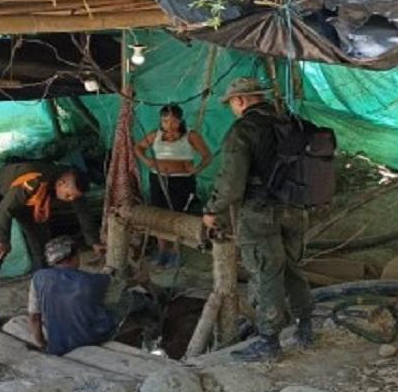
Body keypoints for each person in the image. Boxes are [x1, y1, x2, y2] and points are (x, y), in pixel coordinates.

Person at [201, 77, 314, 363]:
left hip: (259, 212)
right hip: (295, 208)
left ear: (240, 100)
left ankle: (269, 341)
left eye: (231, 104)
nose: (232, 109)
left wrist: (212, 209)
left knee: (267, 273)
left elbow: (231, 182)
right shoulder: (291, 121)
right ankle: (305, 328)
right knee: (291, 267)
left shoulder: (244, 129)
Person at [0, 162, 103, 327]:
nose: (71, 200)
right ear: (61, 184)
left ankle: (43, 299)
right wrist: (1, 241)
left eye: (73, 197)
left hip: (29, 203)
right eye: (68, 196)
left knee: (41, 248)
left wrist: (94, 242)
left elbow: (83, 211)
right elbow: (5, 209)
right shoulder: (35, 180)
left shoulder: (71, 181)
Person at [27, 235, 160, 356]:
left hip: (58, 345)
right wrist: (138, 280)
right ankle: (157, 323)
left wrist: (42, 343)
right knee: (132, 298)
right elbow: (121, 286)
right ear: (74, 257)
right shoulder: (93, 281)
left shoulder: (39, 278)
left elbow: (34, 317)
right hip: (91, 338)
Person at [134, 103, 213, 266]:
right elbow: (138, 148)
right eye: (164, 121)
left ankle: (176, 251)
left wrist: (196, 170)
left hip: (182, 181)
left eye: (173, 121)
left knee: (178, 215)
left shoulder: (191, 136)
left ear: (180, 120)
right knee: (158, 214)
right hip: (158, 179)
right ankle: (163, 251)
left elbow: (207, 156)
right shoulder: (154, 135)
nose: (168, 125)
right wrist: (147, 161)